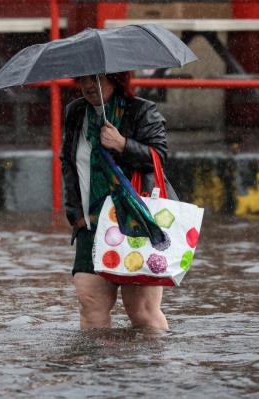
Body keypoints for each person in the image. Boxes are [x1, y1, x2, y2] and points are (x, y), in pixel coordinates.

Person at [61, 72, 178, 330]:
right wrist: (75, 215)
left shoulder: (141, 111)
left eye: (97, 79)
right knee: (91, 304)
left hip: (135, 222)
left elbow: (157, 157)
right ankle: (98, 368)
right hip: (91, 225)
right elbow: (68, 164)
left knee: (142, 312)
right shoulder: (75, 112)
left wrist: (123, 144)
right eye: (83, 80)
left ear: (115, 79)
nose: (89, 86)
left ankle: (148, 369)